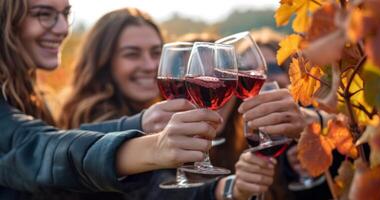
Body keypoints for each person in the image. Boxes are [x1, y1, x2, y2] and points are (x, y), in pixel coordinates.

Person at [0, 0, 223, 199]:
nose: (62, 28)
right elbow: (38, 149)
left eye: (65, 14)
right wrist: (154, 146)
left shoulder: (29, 95)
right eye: (44, 14)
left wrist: (140, 124)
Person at [58, 9, 278, 200]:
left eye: (156, 53)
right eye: (132, 54)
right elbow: (155, 191)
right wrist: (228, 189)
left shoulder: (161, 114)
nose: (150, 65)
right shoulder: (96, 122)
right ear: (103, 62)